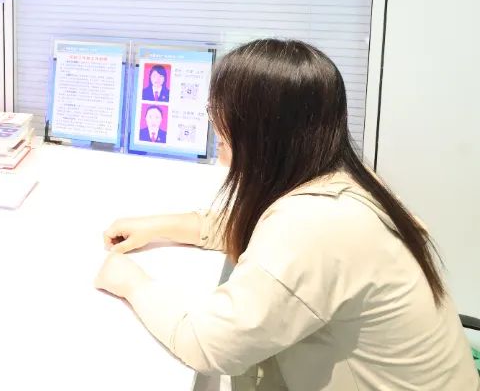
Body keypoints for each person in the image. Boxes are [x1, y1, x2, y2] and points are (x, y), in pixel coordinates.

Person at [95, 39, 479, 390]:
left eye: (219, 111)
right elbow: (245, 222)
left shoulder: (315, 225)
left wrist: (132, 283)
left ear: (263, 129)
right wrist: (159, 227)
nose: (213, 122)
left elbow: (208, 344)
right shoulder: (342, 181)